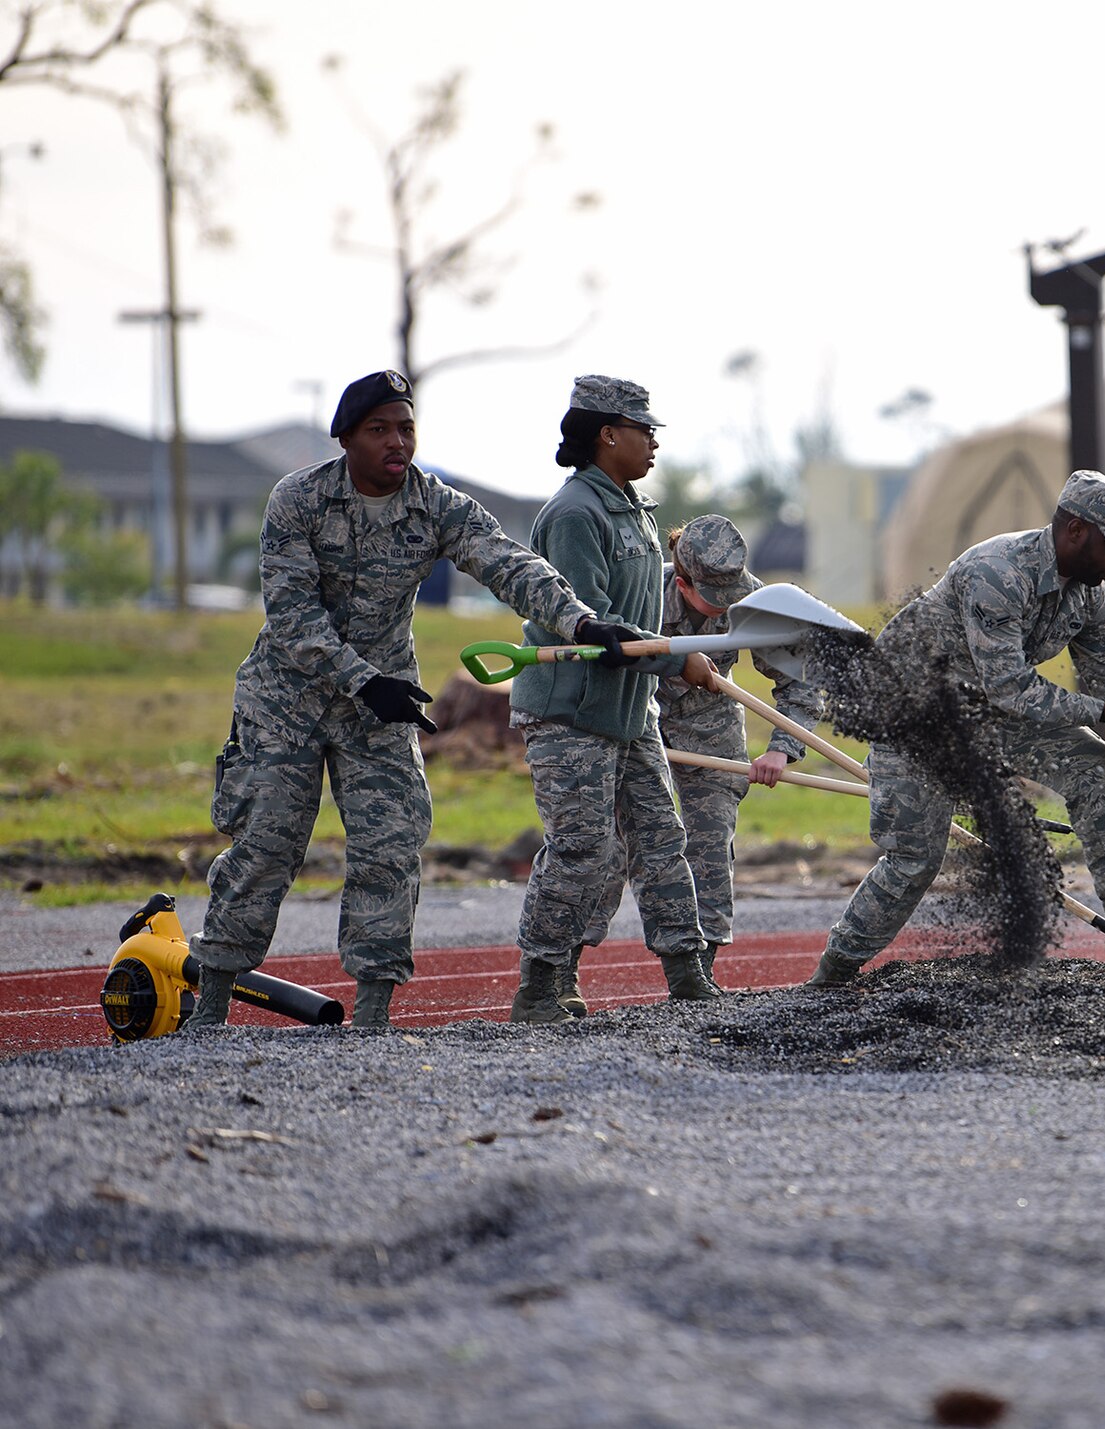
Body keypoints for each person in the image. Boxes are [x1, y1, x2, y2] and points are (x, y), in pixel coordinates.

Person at [184, 370, 625, 1031]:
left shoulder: (435, 505)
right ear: (347, 439)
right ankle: (211, 1000)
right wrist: (364, 680)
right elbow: (293, 616)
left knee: (392, 844)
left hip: (384, 705)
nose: (397, 441)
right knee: (265, 846)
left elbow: (510, 563)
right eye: (380, 429)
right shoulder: (299, 500)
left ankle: (372, 1014)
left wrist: (581, 623)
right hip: (288, 698)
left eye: (406, 427)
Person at [803, 469, 1105, 988]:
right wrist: (1099, 712)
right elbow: (1011, 687)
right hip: (913, 712)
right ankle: (832, 973)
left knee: (1094, 763)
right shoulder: (996, 572)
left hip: (987, 711)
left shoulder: (1092, 597)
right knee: (915, 858)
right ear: (1075, 530)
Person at [506, 374, 718, 1023]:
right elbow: (591, 624)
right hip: (571, 711)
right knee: (582, 848)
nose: (653, 441)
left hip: (630, 709)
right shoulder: (575, 514)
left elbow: (641, 614)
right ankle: (541, 982)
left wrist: (671, 659)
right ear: (607, 433)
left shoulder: (636, 509)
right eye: (643, 429)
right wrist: (676, 658)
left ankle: (687, 970)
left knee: (660, 837)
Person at [566, 515, 827, 1016]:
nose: (727, 604)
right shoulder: (643, 594)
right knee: (613, 847)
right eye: (714, 594)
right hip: (638, 720)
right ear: (682, 582)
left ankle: (698, 973)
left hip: (710, 728)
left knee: (708, 844)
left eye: (733, 590)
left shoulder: (754, 603)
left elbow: (801, 680)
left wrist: (781, 748)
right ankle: (562, 968)